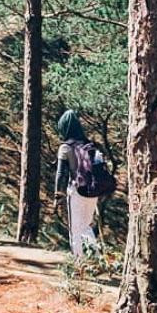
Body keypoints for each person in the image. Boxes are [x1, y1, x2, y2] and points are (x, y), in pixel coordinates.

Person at [54, 110, 102, 259]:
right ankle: (95, 259)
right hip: (93, 191)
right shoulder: (90, 145)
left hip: (76, 190)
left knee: (75, 229)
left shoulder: (66, 147)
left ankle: (79, 262)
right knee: (86, 226)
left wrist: (58, 195)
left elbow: (61, 173)